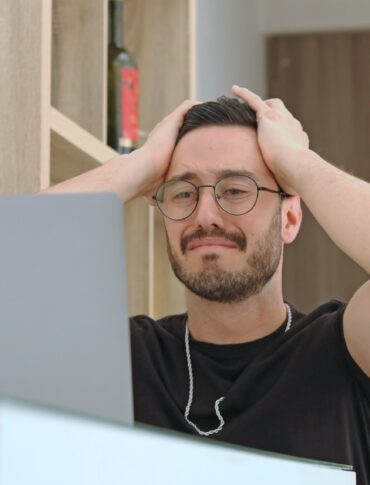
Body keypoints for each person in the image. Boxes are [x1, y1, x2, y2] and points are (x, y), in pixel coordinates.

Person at [42, 86, 370, 484]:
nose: (206, 215)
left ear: (289, 219)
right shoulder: (123, 360)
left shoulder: (346, 352)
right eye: (183, 193)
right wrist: (142, 164)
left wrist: (299, 162)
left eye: (235, 190)